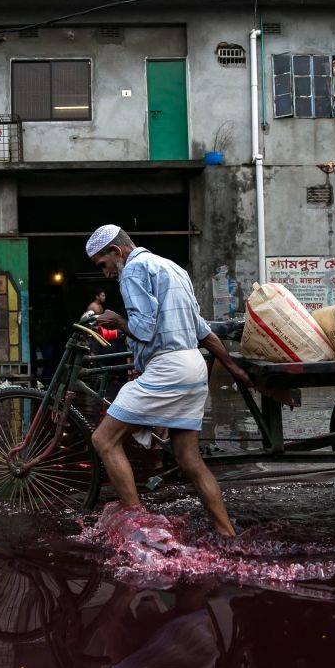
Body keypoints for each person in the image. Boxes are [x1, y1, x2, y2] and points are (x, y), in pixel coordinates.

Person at [85, 224, 253, 537]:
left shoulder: (133, 271)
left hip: (168, 369)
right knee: (190, 461)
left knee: (103, 439)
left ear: (117, 252)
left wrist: (117, 320)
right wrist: (233, 367)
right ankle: (226, 531)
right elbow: (202, 330)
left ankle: (140, 527)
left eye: (103, 264)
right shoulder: (172, 269)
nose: (106, 273)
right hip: (192, 366)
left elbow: (144, 329)